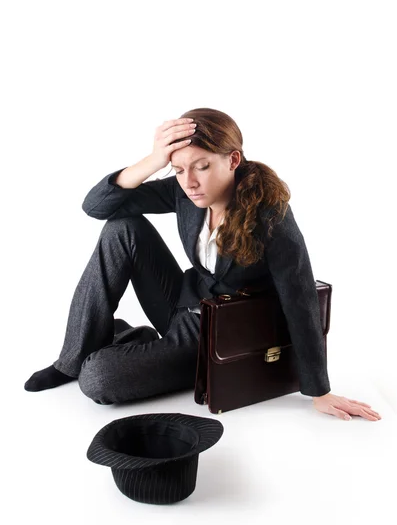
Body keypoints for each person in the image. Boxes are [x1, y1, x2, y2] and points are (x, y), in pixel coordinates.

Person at [24, 107, 381, 422]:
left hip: (216, 335)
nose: (190, 182)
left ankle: (125, 344)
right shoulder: (184, 190)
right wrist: (153, 161)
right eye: (179, 169)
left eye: (202, 166)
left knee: (98, 379)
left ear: (233, 159)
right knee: (122, 229)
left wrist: (318, 390)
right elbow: (97, 207)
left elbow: (300, 296)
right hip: (182, 302)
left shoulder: (270, 214)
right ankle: (70, 360)